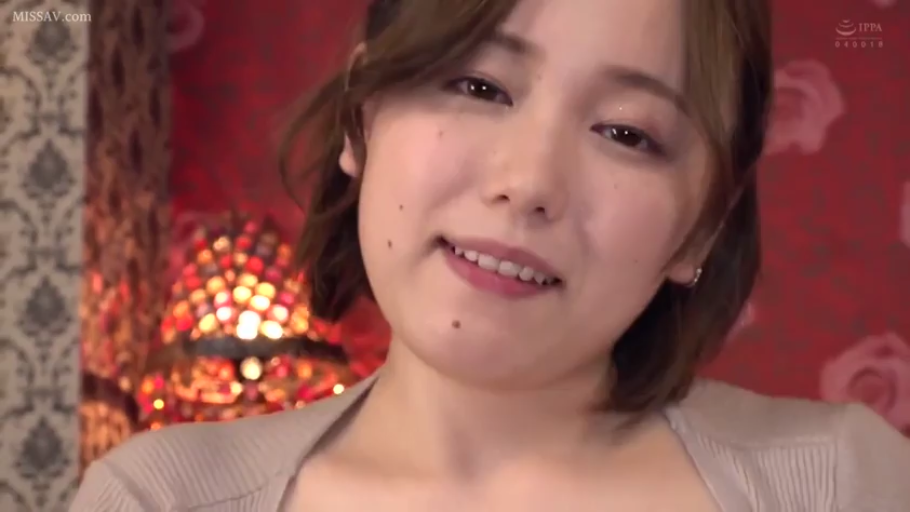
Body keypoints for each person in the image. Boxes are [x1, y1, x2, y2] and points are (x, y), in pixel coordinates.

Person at [72, 0, 910, 510]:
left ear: (702, 226)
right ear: (363, 117)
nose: (528, 182)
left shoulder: (843, 482)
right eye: (479, 87)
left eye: (627, 133)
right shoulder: (161, 498)